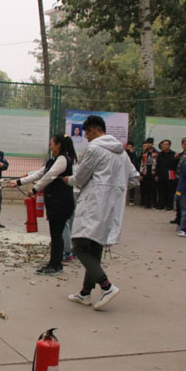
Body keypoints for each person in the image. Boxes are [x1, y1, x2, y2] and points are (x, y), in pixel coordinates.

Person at [64, 116, 139, 310]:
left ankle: (107, 286)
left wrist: (69, 180)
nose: (86, 137)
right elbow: (134, 178)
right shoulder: (122, 153)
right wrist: (116, 188)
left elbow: (80, 177)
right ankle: (85, 293)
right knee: (95, 246)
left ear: (93, 130)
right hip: (111, 206)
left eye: (86, 133)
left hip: (94, 203)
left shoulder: (95, 148)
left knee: (79, 246)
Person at [9, 134, 76, 275]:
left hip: (61, 203)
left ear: (58, 145)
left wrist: (34, 189)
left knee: (56, 235)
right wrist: (18, 182)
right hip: (54, 203)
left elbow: (49, 177)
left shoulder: (63, 159)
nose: (50, 145)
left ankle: (56, 265)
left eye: (52, 143)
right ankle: (54, 263)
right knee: (55, 234)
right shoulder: (53, 161)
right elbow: (38, 174)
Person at [154, 139, 177, 211]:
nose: (164, 146)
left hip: (170, 173)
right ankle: (161, 205)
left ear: (169, 146)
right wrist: (156, 175)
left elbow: (175, 165)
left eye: (166, 144)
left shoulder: (173, 154)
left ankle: (169, 205)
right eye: (163, 144)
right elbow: (158, 165)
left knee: (170, 190)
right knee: (161, 190)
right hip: (161, 174)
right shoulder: (160, 154)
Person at [139, 138, 157, 208]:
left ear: (152, 144)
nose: (149, 145)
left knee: (154, 189)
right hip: (145, 173)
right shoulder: (144, 153)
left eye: (150, 143)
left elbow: (158, 164)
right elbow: (141, 164)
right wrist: (141, 174)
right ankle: (147, 204)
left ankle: (154, 204)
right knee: (146, 189)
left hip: (153, 173)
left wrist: (157, 174)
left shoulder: (156, 153)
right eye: (147, 143)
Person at [125, 140, 140, 206]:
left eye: (130, 147)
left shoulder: (134, 154)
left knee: (132, 185)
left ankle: (131, 199)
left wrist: (132, 153)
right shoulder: (124, 154)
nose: (129, 148)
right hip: (125, 171)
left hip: (131, 171)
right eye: (128, 147)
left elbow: (135, 162)